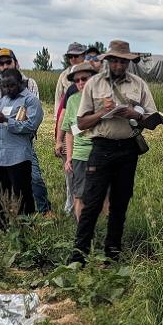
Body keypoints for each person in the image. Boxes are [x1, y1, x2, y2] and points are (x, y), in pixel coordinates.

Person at [70, 40, 157, 263]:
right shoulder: (93, 84)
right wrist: (102, 112)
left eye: (123, 61)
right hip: (101, 148)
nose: (118, 64)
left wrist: (133, 114)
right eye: (114, 60)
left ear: (128, 62)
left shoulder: (139, 84)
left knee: (120, 202)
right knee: (92, 202)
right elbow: (81, 123)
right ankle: (79, 255)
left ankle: (113, 253)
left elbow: (152, 120)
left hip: (127, 149)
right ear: (107, 60)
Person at [0, 47, 49, 213]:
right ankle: (5, 220)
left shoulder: (29, 85)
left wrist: (7, 120)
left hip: (20, 145)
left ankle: (43, 210)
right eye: (1, 63)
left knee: (31, 179)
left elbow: (30, 116)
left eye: (8, 61)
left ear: (15, 62)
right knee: (2, 185)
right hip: (0, 144)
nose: (5, 65)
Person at [0, 69, 44, 228]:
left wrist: (6, 120)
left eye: (11, 86)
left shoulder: (30, 100)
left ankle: (26, 225)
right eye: (4, 86)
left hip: (18, 156)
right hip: (0, 155)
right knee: (1, 192)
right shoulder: (4, 99)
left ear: (20, 83)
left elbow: (31, 125)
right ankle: (2, 225)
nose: (7, 90)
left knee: (22, 193)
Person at [60, 62, 98, 220]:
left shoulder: (101, 98)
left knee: (101, 194)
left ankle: (100, 231)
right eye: (77, 80)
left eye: (84, 79)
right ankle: (82, 232)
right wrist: (69, 157)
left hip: (99, 152)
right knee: (79, 195)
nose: (81, 83)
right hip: (80, 154)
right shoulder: (72, 100)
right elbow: (69, 131)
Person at [55, 43, 88, 214]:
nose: (73, 59)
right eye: (71, 56)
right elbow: (60, 111)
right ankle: (71, 205)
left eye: (77, 56)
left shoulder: (98, 86)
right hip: (73, 137)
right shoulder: (64, 78)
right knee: (72, 175)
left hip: (94, 148)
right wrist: (58, 139)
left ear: (84, 56)